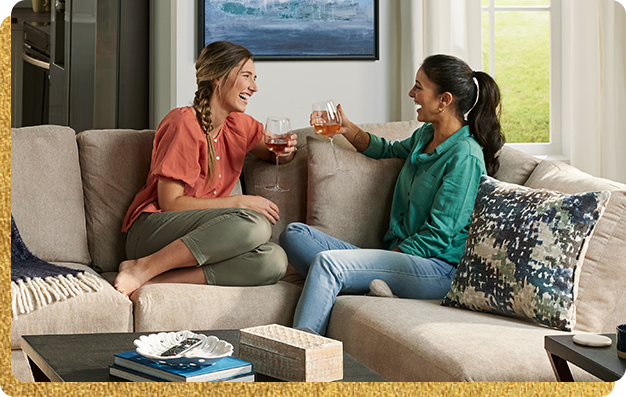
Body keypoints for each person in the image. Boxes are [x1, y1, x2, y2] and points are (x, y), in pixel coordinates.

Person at [279, 54, 505, 335]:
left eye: (419, 87)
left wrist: (371, 261)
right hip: (398, 258)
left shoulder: (465, 156)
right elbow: (387, 150)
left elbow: (439, 236)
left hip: (435, 268)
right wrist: (347, 128)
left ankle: (301, 356)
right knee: (293, 234)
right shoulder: (425, 135)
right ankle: (362, 282)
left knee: (328, 263)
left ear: (444, 100)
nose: (412, 93)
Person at [114, 41, 297, 297]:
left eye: (254, 79)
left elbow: (273, 153)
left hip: (206, 235)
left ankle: (155, 281)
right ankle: (144, 266)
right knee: (255, 224)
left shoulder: (238, 125)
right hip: (152, 231)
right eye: (246, 76)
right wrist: (237, 203)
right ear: (219, 77)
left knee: (274, 260)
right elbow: (170, 202)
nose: (254, 87)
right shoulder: (184, 122)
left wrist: (287, 152)